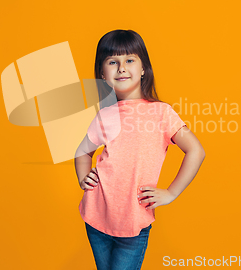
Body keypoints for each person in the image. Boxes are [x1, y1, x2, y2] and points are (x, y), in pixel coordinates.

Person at [74, 29, 205, 270]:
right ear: (103, 74)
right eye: (113, 62)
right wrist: (84, 177)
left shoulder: (162, 113)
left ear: (144, 68)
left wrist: (171, 193)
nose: (122, 67)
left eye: (130, 60)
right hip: (96, 216)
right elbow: (82, 152)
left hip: (134, 223)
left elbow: (196, 151)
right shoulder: (105, 115)